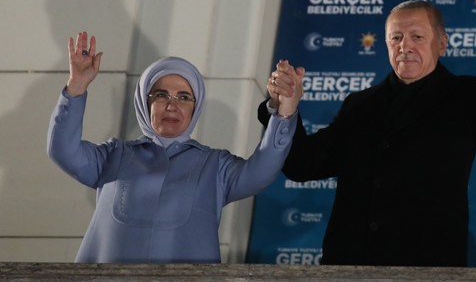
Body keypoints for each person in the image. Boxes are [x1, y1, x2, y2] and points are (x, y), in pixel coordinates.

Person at [259, 0, 476, 267]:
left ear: (442, 44)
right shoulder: (359, 105)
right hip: (351, 267)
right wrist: (284, 108)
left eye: (417, 37)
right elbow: (302, 165)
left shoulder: (464, 98)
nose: (404, 46)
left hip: (427, 268)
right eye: (396, 38)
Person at [47, 32, 301, 263]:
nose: (172, 105)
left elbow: (262, 170)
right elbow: (63, 150)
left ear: (195, 107)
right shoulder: (114, 154)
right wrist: (77, 86)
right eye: (160, 95)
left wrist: (285, 111)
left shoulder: (216, 166)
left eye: (183, 97)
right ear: (144, 103)